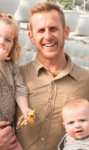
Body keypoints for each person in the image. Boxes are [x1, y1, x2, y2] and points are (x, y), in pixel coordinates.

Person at [14, 1, 89, 150]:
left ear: (65, 32)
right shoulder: (17, 76)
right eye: (40, 30)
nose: (48, 36)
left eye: (53, 28)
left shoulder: (86, 80)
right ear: (31, 37)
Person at [0, 12, 33, 150]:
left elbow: (19, 88)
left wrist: (24, 108)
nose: (2, 42)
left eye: (8, 40)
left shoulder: (12, 65)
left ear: (13, 45)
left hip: (7, 126)